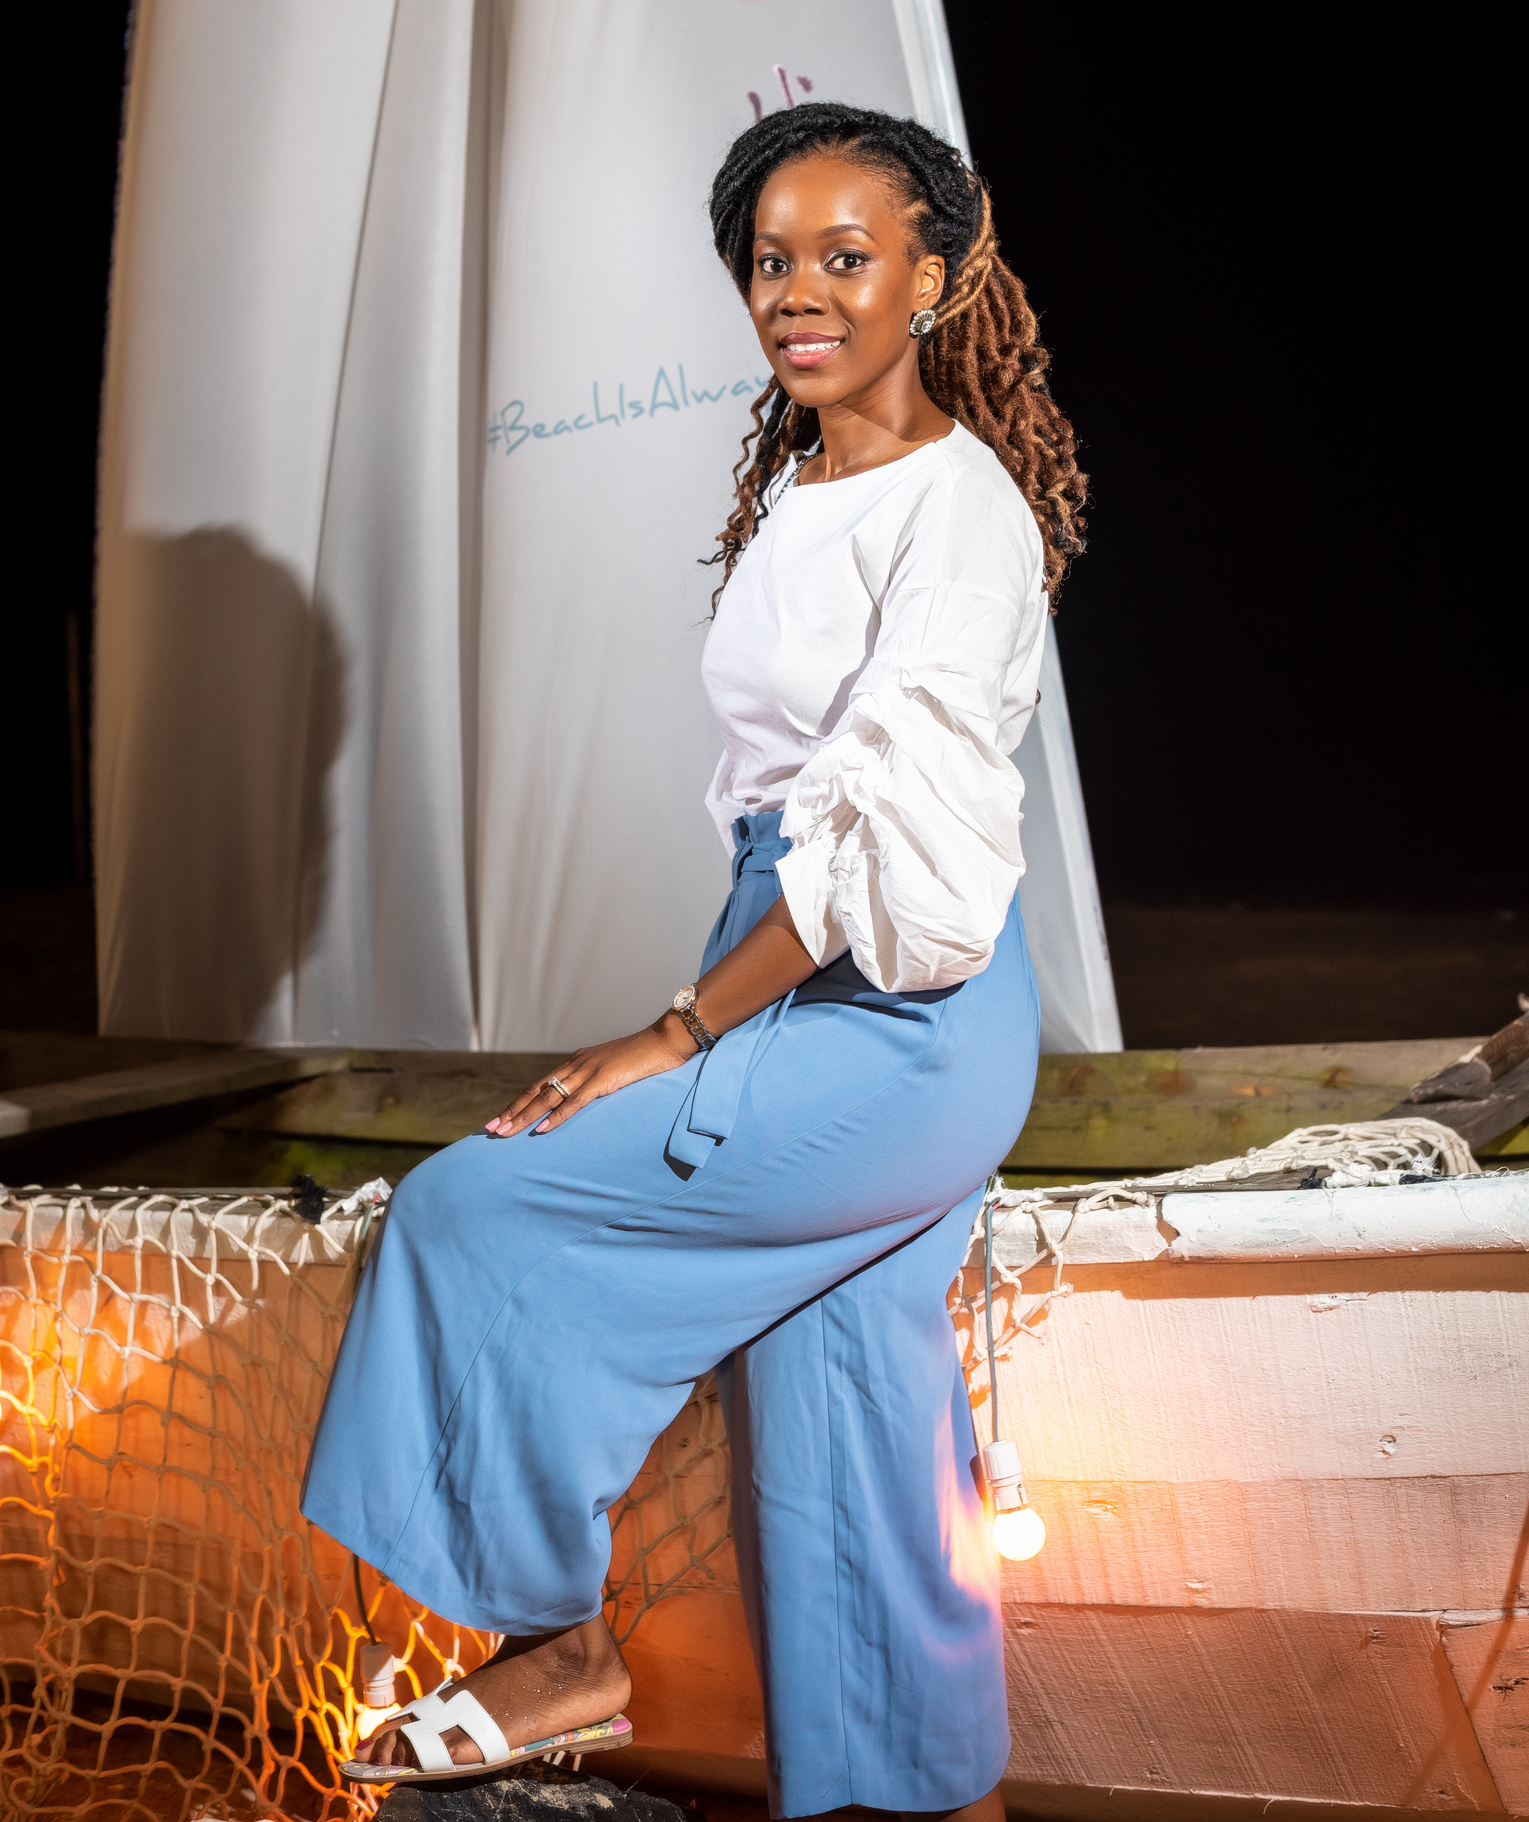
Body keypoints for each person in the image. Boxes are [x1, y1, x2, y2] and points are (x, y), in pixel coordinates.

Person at [303, 104, 1089, 1818]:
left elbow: (875, 846)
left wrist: (679, 1032)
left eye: (844, 258)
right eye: (769, 260)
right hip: (789, 961)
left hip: (903, 1012)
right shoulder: (806, 485)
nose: (797, 292)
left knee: (473, 1209)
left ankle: (556, 1645)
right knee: (842, 1401)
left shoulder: (958, 515)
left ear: (931, 280)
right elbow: (780, 824)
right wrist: (724, 990)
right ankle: (915, 1791)